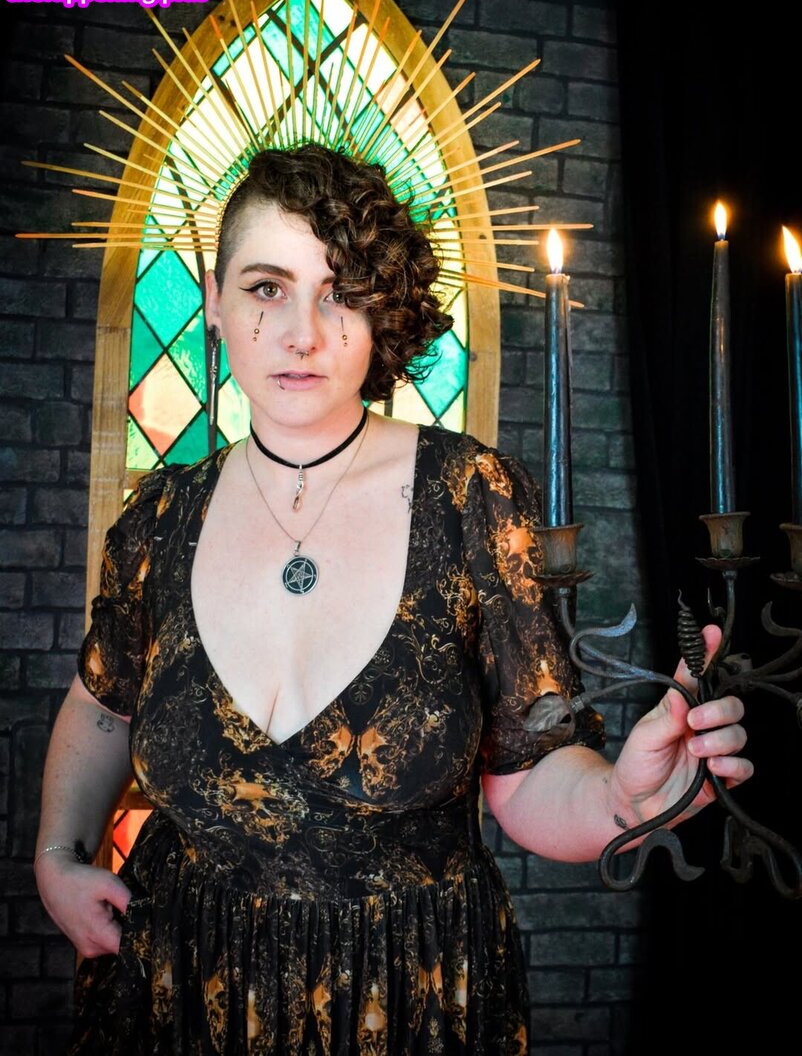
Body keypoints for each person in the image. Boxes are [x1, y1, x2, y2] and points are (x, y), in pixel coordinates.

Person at [34, 143, 752, 1054]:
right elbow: (103, 707)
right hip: (177, 982)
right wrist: (57, 856)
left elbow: (528, 778)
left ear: (382, 309)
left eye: (340, 292)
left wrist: (627, 797)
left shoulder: (470, 499)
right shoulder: (159, 520)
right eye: (266, 288)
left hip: (409, 993)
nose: (302, 333)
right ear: (213, 302)